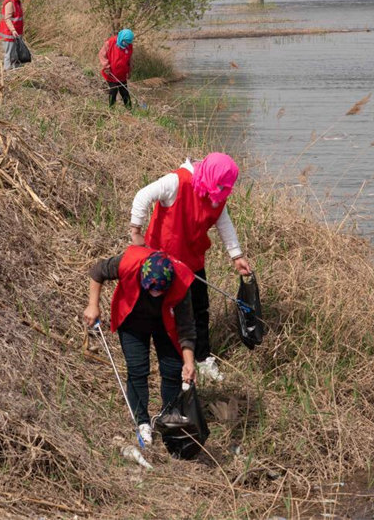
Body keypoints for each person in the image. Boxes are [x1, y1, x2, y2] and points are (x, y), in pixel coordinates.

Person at [130, 152, 252, 382]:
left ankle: (203, 358)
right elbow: (143, 195)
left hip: (193, 259)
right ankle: (167, 358)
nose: (218, 193)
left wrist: (236, 255)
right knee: (164, 310)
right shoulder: (176, 182)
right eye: (217, 187)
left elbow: (223, 222)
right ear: (208, 175)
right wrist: (136, 229)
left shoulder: (217, 192)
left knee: (199, 309)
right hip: (163, 261)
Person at [83, 247, 197, 445]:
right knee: (137, 369)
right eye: (150, 289)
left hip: (165, 323)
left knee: (172, 369)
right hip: (132, 321)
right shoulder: (128, 263)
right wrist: (93, 305)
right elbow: (97, 271)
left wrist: (189, 363)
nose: (154, 293)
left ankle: (168, 415)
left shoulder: (180, 283)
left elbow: (186, 328)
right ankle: (142, 421)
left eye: (159, 291)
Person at [0, 0, 29, 71]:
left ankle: (15, 71)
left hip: (16, 34)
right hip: (9, 34)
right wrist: (13, 30)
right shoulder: (10, 2)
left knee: (15, 54)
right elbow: (7, 19)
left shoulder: (17, 2)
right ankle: (7, 72)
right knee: (9, 54)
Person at [98, 29, 134, 108]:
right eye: (125, 42)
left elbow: (130, 59)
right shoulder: (110, 42)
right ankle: (111, 109)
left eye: (128, 43)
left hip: (122, 74)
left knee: (124, 92)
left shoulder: (129, 46)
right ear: (122, 38)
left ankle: (129, 109)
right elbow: (102, 55)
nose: (126, 45)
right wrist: (106, 66)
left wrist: (129, 71)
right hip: (111, 73)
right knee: (113, 91)